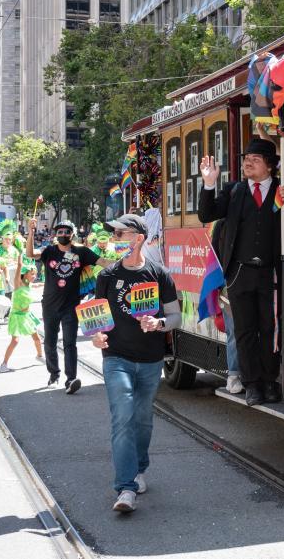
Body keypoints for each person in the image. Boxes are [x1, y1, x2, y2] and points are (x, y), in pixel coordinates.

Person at [85, 213, 180, 513]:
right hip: (116, 358)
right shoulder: (107, 277)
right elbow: (98, 321)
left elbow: (176, 317)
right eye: (113, 235)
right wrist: (97, 338)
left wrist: (159, 322)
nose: (115, 240)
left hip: (151, 361)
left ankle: (139, 468)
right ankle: (125, 488)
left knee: (142, 420)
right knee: (122, 418)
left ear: (138, 238)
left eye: (121, 234)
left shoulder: (160, 274)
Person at [198, 139, 284, 406]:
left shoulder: (282, 190)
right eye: (246, 158)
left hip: (270, 272)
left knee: (269, 329)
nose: (247, 162)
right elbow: (206, 213)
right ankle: (252, 385)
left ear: (270, 166)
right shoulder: (234, 190)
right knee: (245, 331)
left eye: (255, 159)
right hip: (239, 273)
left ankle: (270, 381)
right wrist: (208, 184)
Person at [25, 218, 106, 391]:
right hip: (50, 306)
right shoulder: (49, 251)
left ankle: (71, 380)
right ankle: (54, 375)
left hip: (71, 306)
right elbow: (30, 254)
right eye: (60, 232)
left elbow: (103, 263)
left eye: (66, 232)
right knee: (50, 342)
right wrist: (30, 231)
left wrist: (128, 263)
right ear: (55, 235)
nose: (63, 234)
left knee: (70, 343)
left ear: (72, 234)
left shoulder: (81, 252)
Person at [0, 259, 44, 371]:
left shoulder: (29, 284)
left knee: (37, 338)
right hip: (17, 316)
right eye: (32, 273)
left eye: (35, 273)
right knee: (15, 341)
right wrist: (20, 259)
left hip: (27, 316)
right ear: (25, 274)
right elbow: (19, 267)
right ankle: (4, 364)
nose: (34, 276)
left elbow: (38, 284)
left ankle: (39, 356)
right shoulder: (18, 284)